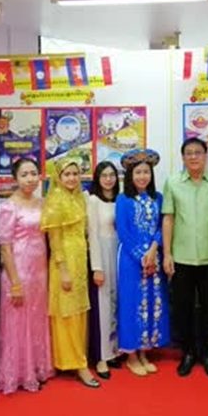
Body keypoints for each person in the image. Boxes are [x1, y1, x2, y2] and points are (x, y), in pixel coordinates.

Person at [162, 137, 208, 377]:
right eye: (189, 153)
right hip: (181, 258)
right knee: (183, 308)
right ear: (183, 157)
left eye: (198, 152)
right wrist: (167, 253)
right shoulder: (173, 182)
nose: (193, 157)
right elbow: (168, 218)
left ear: (205, 155)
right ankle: (189, 353)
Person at [0, 158, 54, 394]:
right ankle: (17, 373)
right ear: (15, 178)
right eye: (24, 174)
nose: (30, 179)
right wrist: (15, 283)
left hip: (40, 270)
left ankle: (37, 368)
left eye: (33, 174)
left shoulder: (42, 203)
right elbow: (5, 247)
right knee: (17, 322)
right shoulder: (8, 207)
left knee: (36, 319)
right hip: (18, 270)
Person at [40, 157, 99, 388]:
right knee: (68, 314)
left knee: (79, 312)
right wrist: (63, 270)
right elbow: (54, 241)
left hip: (80, 261)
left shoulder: (79, 198)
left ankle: (75, 358)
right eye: (67, 174)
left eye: (75, 174)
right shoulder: (55, 200)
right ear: (58, 177)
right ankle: (77, 363)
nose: (72, 178)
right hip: (63, 264)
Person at [115, 149, 170, 376]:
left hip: (154, 258)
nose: (142, 176)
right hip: (130, 260)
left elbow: (162, 226)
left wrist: (154, 249)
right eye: (137, 172)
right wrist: (141, 256)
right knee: (131, 304)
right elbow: (123, 231)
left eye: (146, 172)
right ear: (130, 175)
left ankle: (145, 351)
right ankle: (131, 355)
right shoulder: (123, 199)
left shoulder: (158, 198)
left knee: (152, 302)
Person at [87, 161, 121, 379]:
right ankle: (100, 357)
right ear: (97, 179)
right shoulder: (92, 200)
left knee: (116, 303)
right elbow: (91, 234)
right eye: (104, 175)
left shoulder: (121, 200)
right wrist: (97, 267)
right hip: (101, 251)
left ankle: (113, 351)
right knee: (102, 305)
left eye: (112, 175)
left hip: (118, 253)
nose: (108, 179)